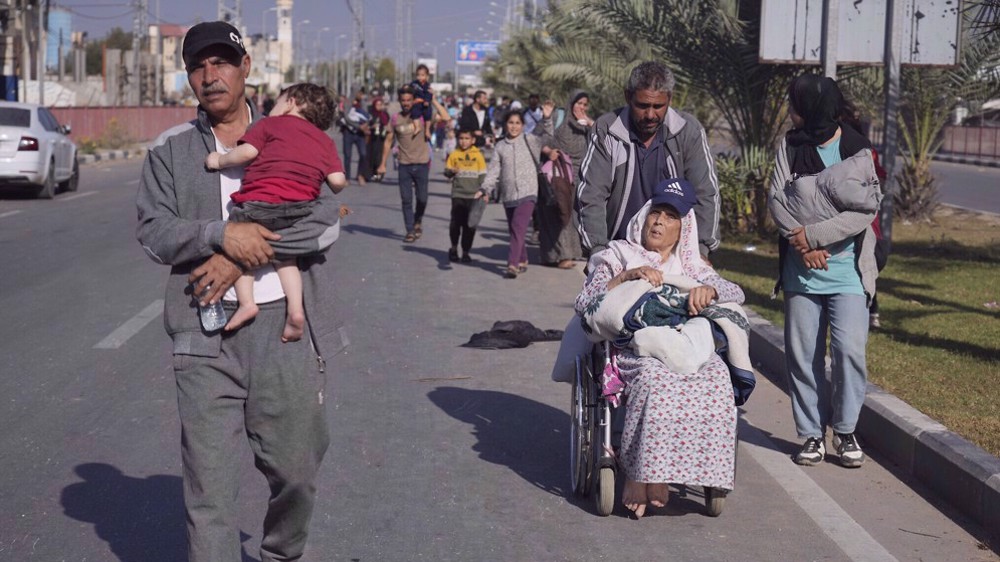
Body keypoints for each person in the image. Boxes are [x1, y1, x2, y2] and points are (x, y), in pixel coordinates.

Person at [135, 21, 339, 561]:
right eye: (199, 66)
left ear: (246, 68)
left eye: (222, 62)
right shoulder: (172, 150)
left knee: (297, 469)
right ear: (188, 77)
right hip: (202, 335)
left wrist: (242, 254)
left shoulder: (296, 130)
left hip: (285, 333)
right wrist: (217, 235)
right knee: (209, 490)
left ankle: (280, 553)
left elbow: (327, 219)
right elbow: (154, 232)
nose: (211, 75)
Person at [575, 178, 748, 519]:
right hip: (635, 350)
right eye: (656, 213)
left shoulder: (693, 267)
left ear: (683, 228)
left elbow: (736, 293)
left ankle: (688, 472)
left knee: (716, 383)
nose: (659, 222)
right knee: (656, 380)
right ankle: (642, 474)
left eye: (670, 217)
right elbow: (585, 301)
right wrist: (627, 277)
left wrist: (709, 292)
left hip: (687, 346)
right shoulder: (618, 255)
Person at [768, 73, 881, 469]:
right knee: (803, 356)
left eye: (797, 103)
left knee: (850, 350)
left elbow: (866, 211)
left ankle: (846, 430)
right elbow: (778, 200)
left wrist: (813, 236)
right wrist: (803, 246)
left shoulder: (856, 147)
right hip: (802, 273)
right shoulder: (790, 145)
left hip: (848, 270)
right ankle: (811, 434)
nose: (793, 111)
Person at [204, 82, 347, 341]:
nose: (274, 106)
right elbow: (337, 182)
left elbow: (246, 152)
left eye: (279, 100)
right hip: (300, 209)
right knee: (287, 259)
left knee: (240, 245)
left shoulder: (269, 125)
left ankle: (247, 303)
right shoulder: (325, 141)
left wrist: (219, 160)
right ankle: (295, 310)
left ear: (291, 101)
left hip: (258, 204)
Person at [577, 61, 721, 259]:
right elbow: (591, 194)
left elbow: (706, 193)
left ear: (669, 99)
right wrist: (598, 251)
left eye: (658, 106)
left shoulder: (688, 132)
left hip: (673, 256)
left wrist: (701, 250)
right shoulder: (607, 130)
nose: (650, 115)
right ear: (628, 97)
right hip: (617, 251)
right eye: (643, 106)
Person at [480, 103, 555, 278]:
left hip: (528, 192)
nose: (514, 126)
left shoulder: (530, 140)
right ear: (505, 124)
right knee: (515, 229)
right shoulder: (500, 147)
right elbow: (493, 170)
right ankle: (522, 258)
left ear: (522, 125)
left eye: (517, 123)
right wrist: (485, 188)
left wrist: (547, 117)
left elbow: (547, 135)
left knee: (518, 226)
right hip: (508, 194)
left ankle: (512, 264)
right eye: (511, 122)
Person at [377, 84, 450, 242]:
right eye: (403, 100)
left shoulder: (423, 115)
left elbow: (445, 117)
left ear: (413, 100)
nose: (406, 103)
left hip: (422, 164)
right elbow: (388, 142)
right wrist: (382, 164)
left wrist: (434, 100)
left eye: (409, 100)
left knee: (422, 199)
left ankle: (418, 220)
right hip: (404, 165)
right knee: (406, 199)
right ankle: (410, 230)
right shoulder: (396, 119)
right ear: (400, 101)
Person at [538, 89, 592, 269]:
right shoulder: (558, 117)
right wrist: (549, 151)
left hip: (579, 174)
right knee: (558, 212)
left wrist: (590, 124)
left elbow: (603, 140)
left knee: (571, 213)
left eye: (585, 104)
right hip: (558, 171)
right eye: (579, 103)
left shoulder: (587, 124)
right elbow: (541, 138)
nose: (582, 107)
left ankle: (567, 253)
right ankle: (559, 255)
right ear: (571, 103)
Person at [444, 129, 488, 263]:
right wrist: (451, 171)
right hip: (458, 194)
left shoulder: (478, 155)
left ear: (473, 140)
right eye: (461, 138)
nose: (464, 141)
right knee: (456, 223)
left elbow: (482, 175)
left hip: (474, 196)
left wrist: (485, 192)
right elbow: (447, 172)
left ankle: (466, 251)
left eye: (467, 138)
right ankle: (453, 248)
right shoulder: (454, 154)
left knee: (470, 226)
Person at [339, 92, 369, 185]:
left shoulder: (363, 103)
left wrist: (365, 125)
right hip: (348, 132)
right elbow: (346, 117)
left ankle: (360, 175)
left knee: (363, 154)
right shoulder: (348, 102)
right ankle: (347, 178)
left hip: (360, 134)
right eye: (359, 92)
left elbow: (367, 116)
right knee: (347, 156)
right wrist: (357, 126)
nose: (361, 94)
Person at [366, 95, 390, 182]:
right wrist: (372, 126)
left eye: (380, 104)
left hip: (382, 138)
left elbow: (388, 124)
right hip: (372, 139)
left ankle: (379, 173)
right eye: (377, 105)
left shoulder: (385, 114)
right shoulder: (371, 115)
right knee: (372, 156)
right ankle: (372, 173)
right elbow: (367, 125)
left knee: (380, 156)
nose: (379, 106)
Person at [409, 63, 435, 141]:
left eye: (422, 75)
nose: (420, 77)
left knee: (428, 115)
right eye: (418, 75)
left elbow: (429, 93)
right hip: (417, 103)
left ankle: (427, 130)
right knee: (414, 113)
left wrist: (427, 101)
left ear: (427, 76)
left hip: (425, 104)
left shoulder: (427, 85)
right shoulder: (414, 84)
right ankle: (417, 127)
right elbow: (409, 90)